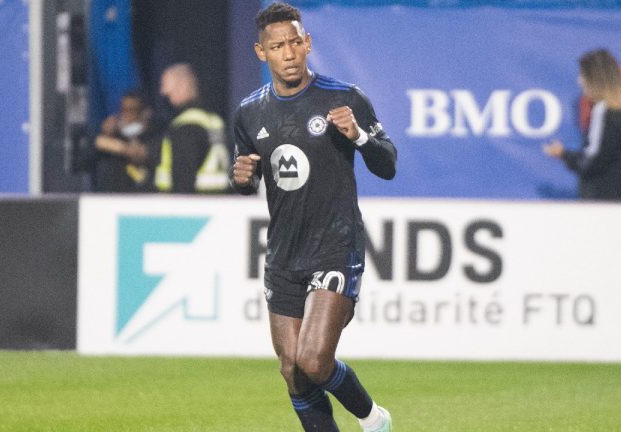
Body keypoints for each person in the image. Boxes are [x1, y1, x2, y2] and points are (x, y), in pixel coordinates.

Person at [230, 3, 396, 431]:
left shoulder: (344, 98)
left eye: (294, 42)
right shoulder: (249, 113)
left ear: (307, 43)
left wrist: (358, 136)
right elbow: (249, 177)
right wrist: (241, 178)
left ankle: (374, 419)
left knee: (315, 359)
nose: (288, 53)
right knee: (293, 369)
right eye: (277, 46)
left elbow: (388, 164)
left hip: (335, 245)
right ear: (261, 52)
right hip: (284, 253)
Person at [543, 49, 621, 201]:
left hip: (602, 204)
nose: (579, 81)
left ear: (596, 78)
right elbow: (602, 156)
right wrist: (563, 154)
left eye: (583, 75)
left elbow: (593, 161)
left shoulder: (603, 111)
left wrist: (565, 156)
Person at [153, 62, 230, 193]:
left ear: (183, 85)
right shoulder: (212, 120)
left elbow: (183, 178)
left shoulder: (186, 125)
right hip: (218, 199)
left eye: (165, 85)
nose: (163, 91)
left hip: (193, 203)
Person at [94, 90, 158, 193]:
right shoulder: (114, 136)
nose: (126, 115)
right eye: (123, 110)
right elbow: (85, 161)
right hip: (113, 198)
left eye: (132, 110)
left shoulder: (153, 138)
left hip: (145, 197)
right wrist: (105, 134)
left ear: (145, 113)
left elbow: (145, 154)